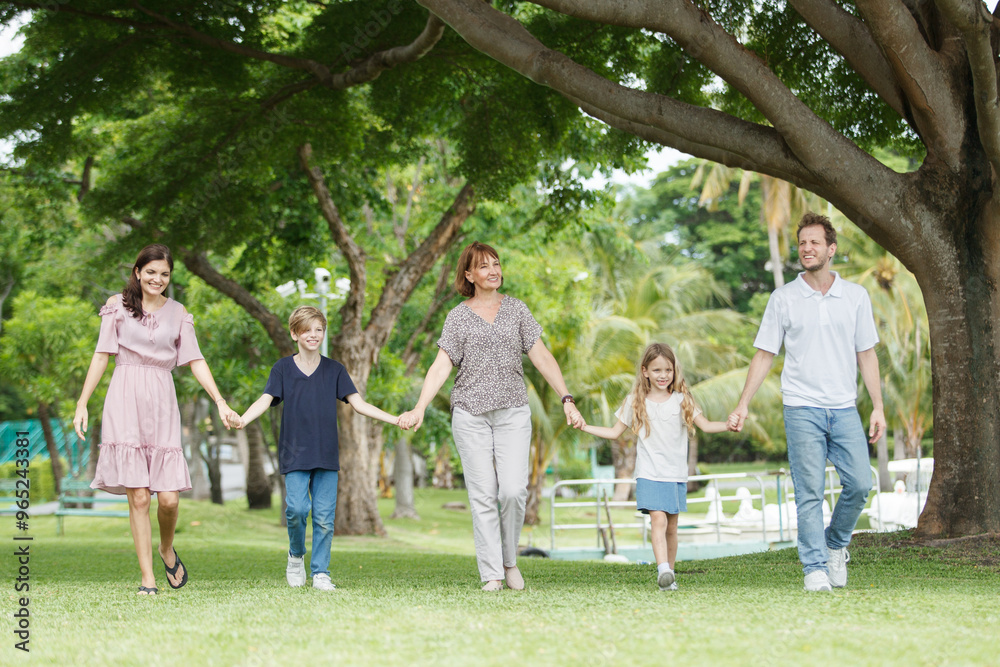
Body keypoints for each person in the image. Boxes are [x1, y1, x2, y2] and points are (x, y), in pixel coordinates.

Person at [398, 242, 584, 592]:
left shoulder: (516, 310)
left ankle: (509, 559)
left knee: (513, 491)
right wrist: (419, 407)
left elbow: (542, 357)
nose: (493, 271)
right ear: (469, 275)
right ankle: (492, 574)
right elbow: (441, 367)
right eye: (483, 266)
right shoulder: (457, 316)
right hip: (470, 414)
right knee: (483, 495)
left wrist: (566, 399)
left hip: (513, 410)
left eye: (496, 264)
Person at [728, 212, 886, 592]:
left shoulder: (855, 297)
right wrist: (743, 403)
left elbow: (866, 354)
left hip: (845, 407)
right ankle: (814, 568)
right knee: (810, 491)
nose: (806, 248)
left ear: (831, 249)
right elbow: (765, 354)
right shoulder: (783, 298)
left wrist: (878, 407)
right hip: (801, 407)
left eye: (815, 242)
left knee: (861, 483)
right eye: (802, 243)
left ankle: (835, 544)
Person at [73, 244, 240, 595]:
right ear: (137, 272)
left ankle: (167, 547)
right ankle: (148, 579)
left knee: (168, 499)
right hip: (124, 395)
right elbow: (102, 355)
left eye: (164, 274)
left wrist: (221, 402)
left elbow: (195, 360)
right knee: (139, 497)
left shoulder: (178, 313)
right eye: (151, 272)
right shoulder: (116, 307)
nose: (157, 279)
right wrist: (83, 402)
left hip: (162, 399)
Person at [236, 306, 401, 591]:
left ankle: (320, 572)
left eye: (318, 330)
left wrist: (395, 419)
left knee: (324, 518)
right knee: (297, 510)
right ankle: (296, 555)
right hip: (294, 452)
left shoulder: (334, 370)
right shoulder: (283, 369)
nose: (314, 335)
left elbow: (359, 405)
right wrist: (242, 419)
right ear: (294, 334)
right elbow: (265, 400)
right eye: (307, 330)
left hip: (326, 454)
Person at [579, 343, 733, 591]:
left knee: (672, 527)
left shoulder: (683, 400)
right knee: (658, 520)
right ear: (645, 371)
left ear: (674, 371)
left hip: (675, 475)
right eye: (657, 369)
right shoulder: (635, 401)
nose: (663, 375)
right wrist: (584, 426)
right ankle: (662, 569)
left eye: (668, 370)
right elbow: (613, 432)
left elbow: (705, 425)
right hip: (649, 474)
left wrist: (728, 424)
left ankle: (668, 577)